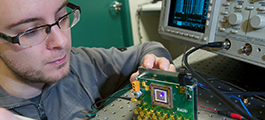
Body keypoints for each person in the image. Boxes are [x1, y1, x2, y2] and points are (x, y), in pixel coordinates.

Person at [0, 0, 176, 119]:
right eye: (31, 31)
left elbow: (148, 49)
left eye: (61, 17)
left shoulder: (84, 64)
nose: (62, 42)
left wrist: (156, 63)